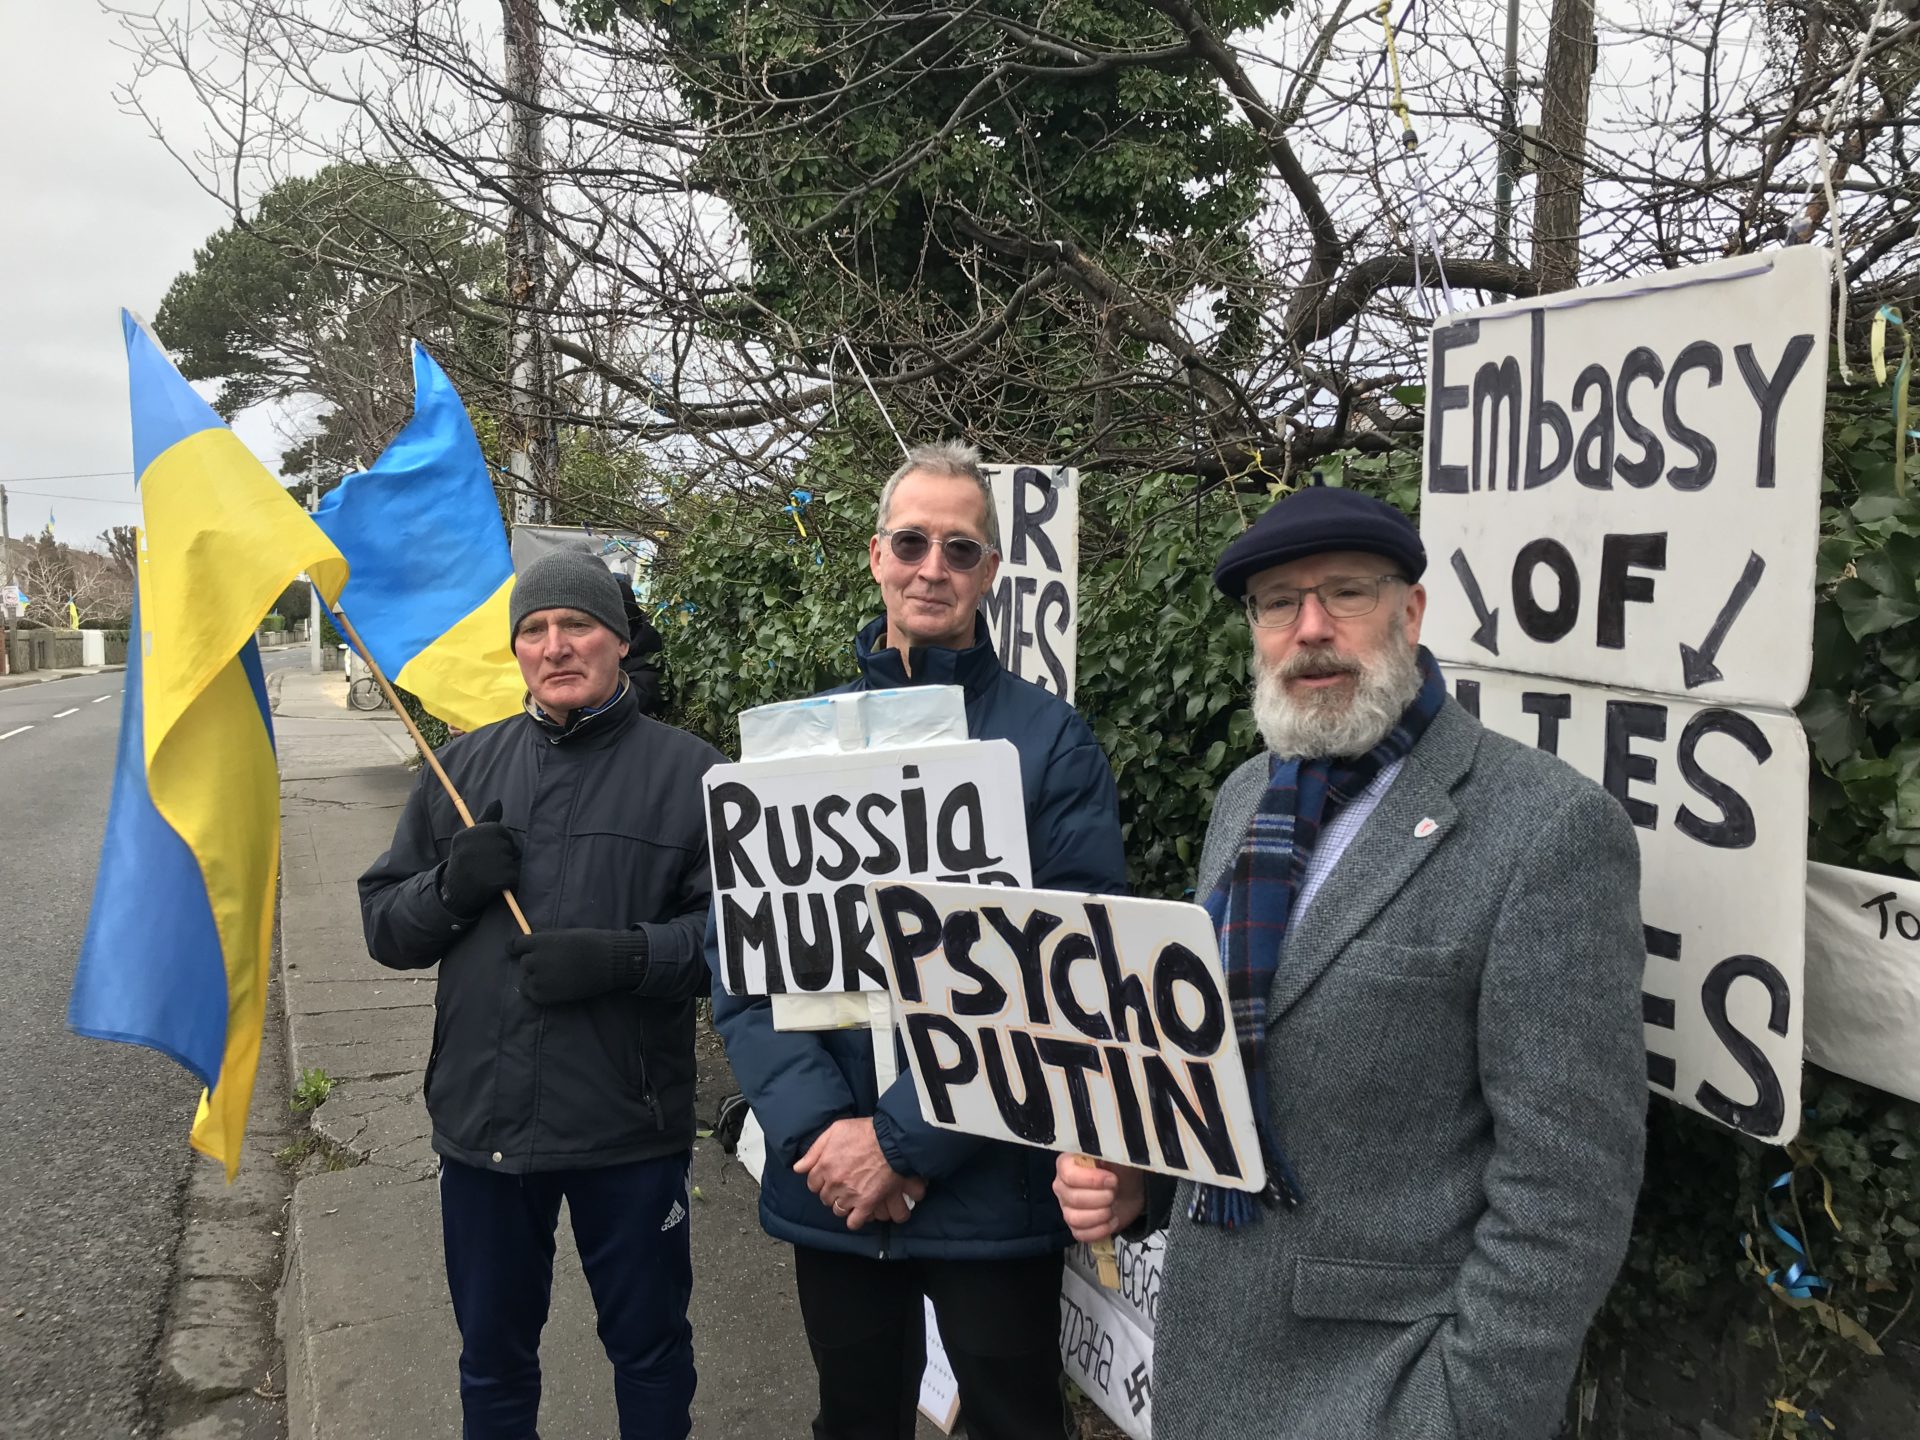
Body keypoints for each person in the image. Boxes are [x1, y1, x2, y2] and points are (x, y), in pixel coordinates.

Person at [1053, 485, 1647, 1439]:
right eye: (1278, 602)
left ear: (1410, 612)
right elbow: (1223, 1066)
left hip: (1381, 1393)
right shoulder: (1248, 797)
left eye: (1345, 594)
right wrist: (1144, 1183)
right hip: (1208, 1370)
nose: (1311, 628)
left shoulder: (1546, 828)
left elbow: (1568, 1187)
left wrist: (1457, 1413)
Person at [710, 441, 1126, 1440]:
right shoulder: (795, 747)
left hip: (989, 1185)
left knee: (1015, 1423)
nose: (931, 565)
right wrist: (824, 1137)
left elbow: (1067, 976)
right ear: (876, 557)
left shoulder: (1050, 742)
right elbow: (747, 969)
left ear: (988, 572)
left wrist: (903, 1143)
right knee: (853, 1420)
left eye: (959, 547)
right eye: (911, 542)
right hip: (832, 1186)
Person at [359, 547, 722, 1440]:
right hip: (482, 1127)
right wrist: (452, 887)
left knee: (650, 1352)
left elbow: (744, 942)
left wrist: (627, 959)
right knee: (492, 1359)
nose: (556, 645)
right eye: (535, 630)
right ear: (516, 650)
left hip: (627, 1130)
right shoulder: (462, 769)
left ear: (619, 640)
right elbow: (385, 929)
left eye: (578, 625)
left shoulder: (696, 775)